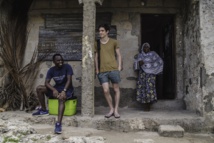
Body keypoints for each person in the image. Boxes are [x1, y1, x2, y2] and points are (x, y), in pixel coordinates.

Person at [32, 53, 74, 134]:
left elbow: (69, 80)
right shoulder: (51, 70)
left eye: (61, 59)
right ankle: (44, 110)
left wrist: (64, 91)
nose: (60, 61)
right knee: (39, 88)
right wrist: (54, 90)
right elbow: (46, 83)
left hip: (67, 89)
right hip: (57, 88)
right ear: (54, 62)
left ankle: (58, 124)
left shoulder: (67, 67)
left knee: (61, 98)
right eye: (58, 60)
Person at [94, 24, 122, 118]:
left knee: (116, 89)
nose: (100, 32)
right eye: (99, 31)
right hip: (102, 71)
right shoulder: (97, 43)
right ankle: (111, 109)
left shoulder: (114, 42)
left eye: (102, 30)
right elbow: (96, 57)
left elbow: (119, 55)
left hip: (113, 69)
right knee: (106, 90)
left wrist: (119, 67)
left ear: (107, 32)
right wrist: (97, 70)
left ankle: (116, 110)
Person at [134, 42, 163, 111]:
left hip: (151, 75)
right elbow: (137, 64)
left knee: (150, 89)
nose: (146, 48)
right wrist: (139, 63)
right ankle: (145, 106)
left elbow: (159, 61)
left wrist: (153, 68)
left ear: (149, 48)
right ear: (142, 48)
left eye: (147, 47)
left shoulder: (153, 54)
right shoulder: (140, 55)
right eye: (144, 47)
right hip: (142, 75)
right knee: (143, 89)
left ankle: (149, 105)